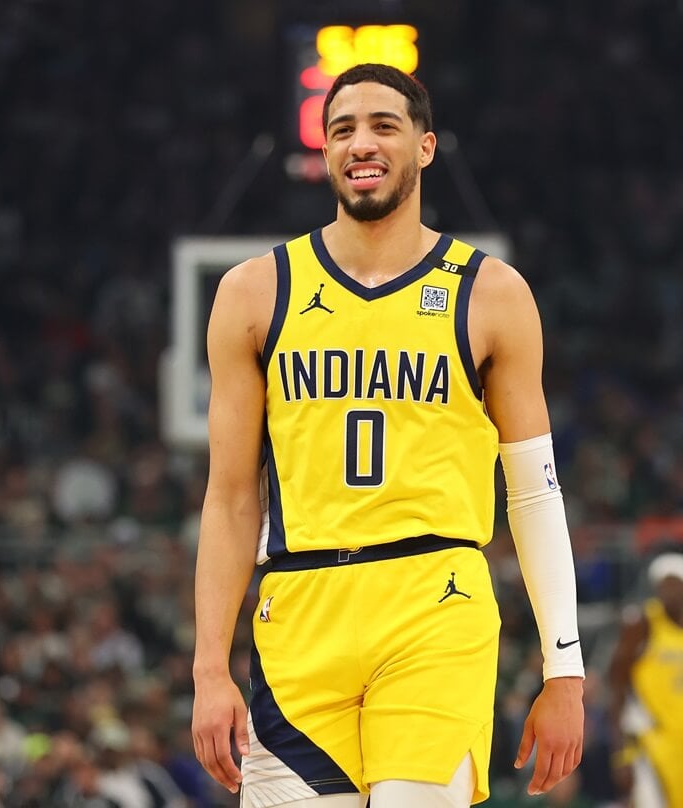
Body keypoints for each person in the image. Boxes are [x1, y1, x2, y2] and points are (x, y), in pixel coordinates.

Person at [190, 62, 585, 808]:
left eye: (383, 126)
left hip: (434, 599)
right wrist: (211, 669)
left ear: (426, 147)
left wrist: (563, 667)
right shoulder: (252, 293)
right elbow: (231, 496)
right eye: (342, 129)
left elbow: (534, 490)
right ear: (325, 152)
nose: (361, 143)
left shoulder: (491, 293)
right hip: (299, 610)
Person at [608, 552, 683, 807]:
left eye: (676, 584)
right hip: (654, 742)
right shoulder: (642, 622)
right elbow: (616, 685)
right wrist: (620, 754)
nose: (669, 591)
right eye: (664, 584)